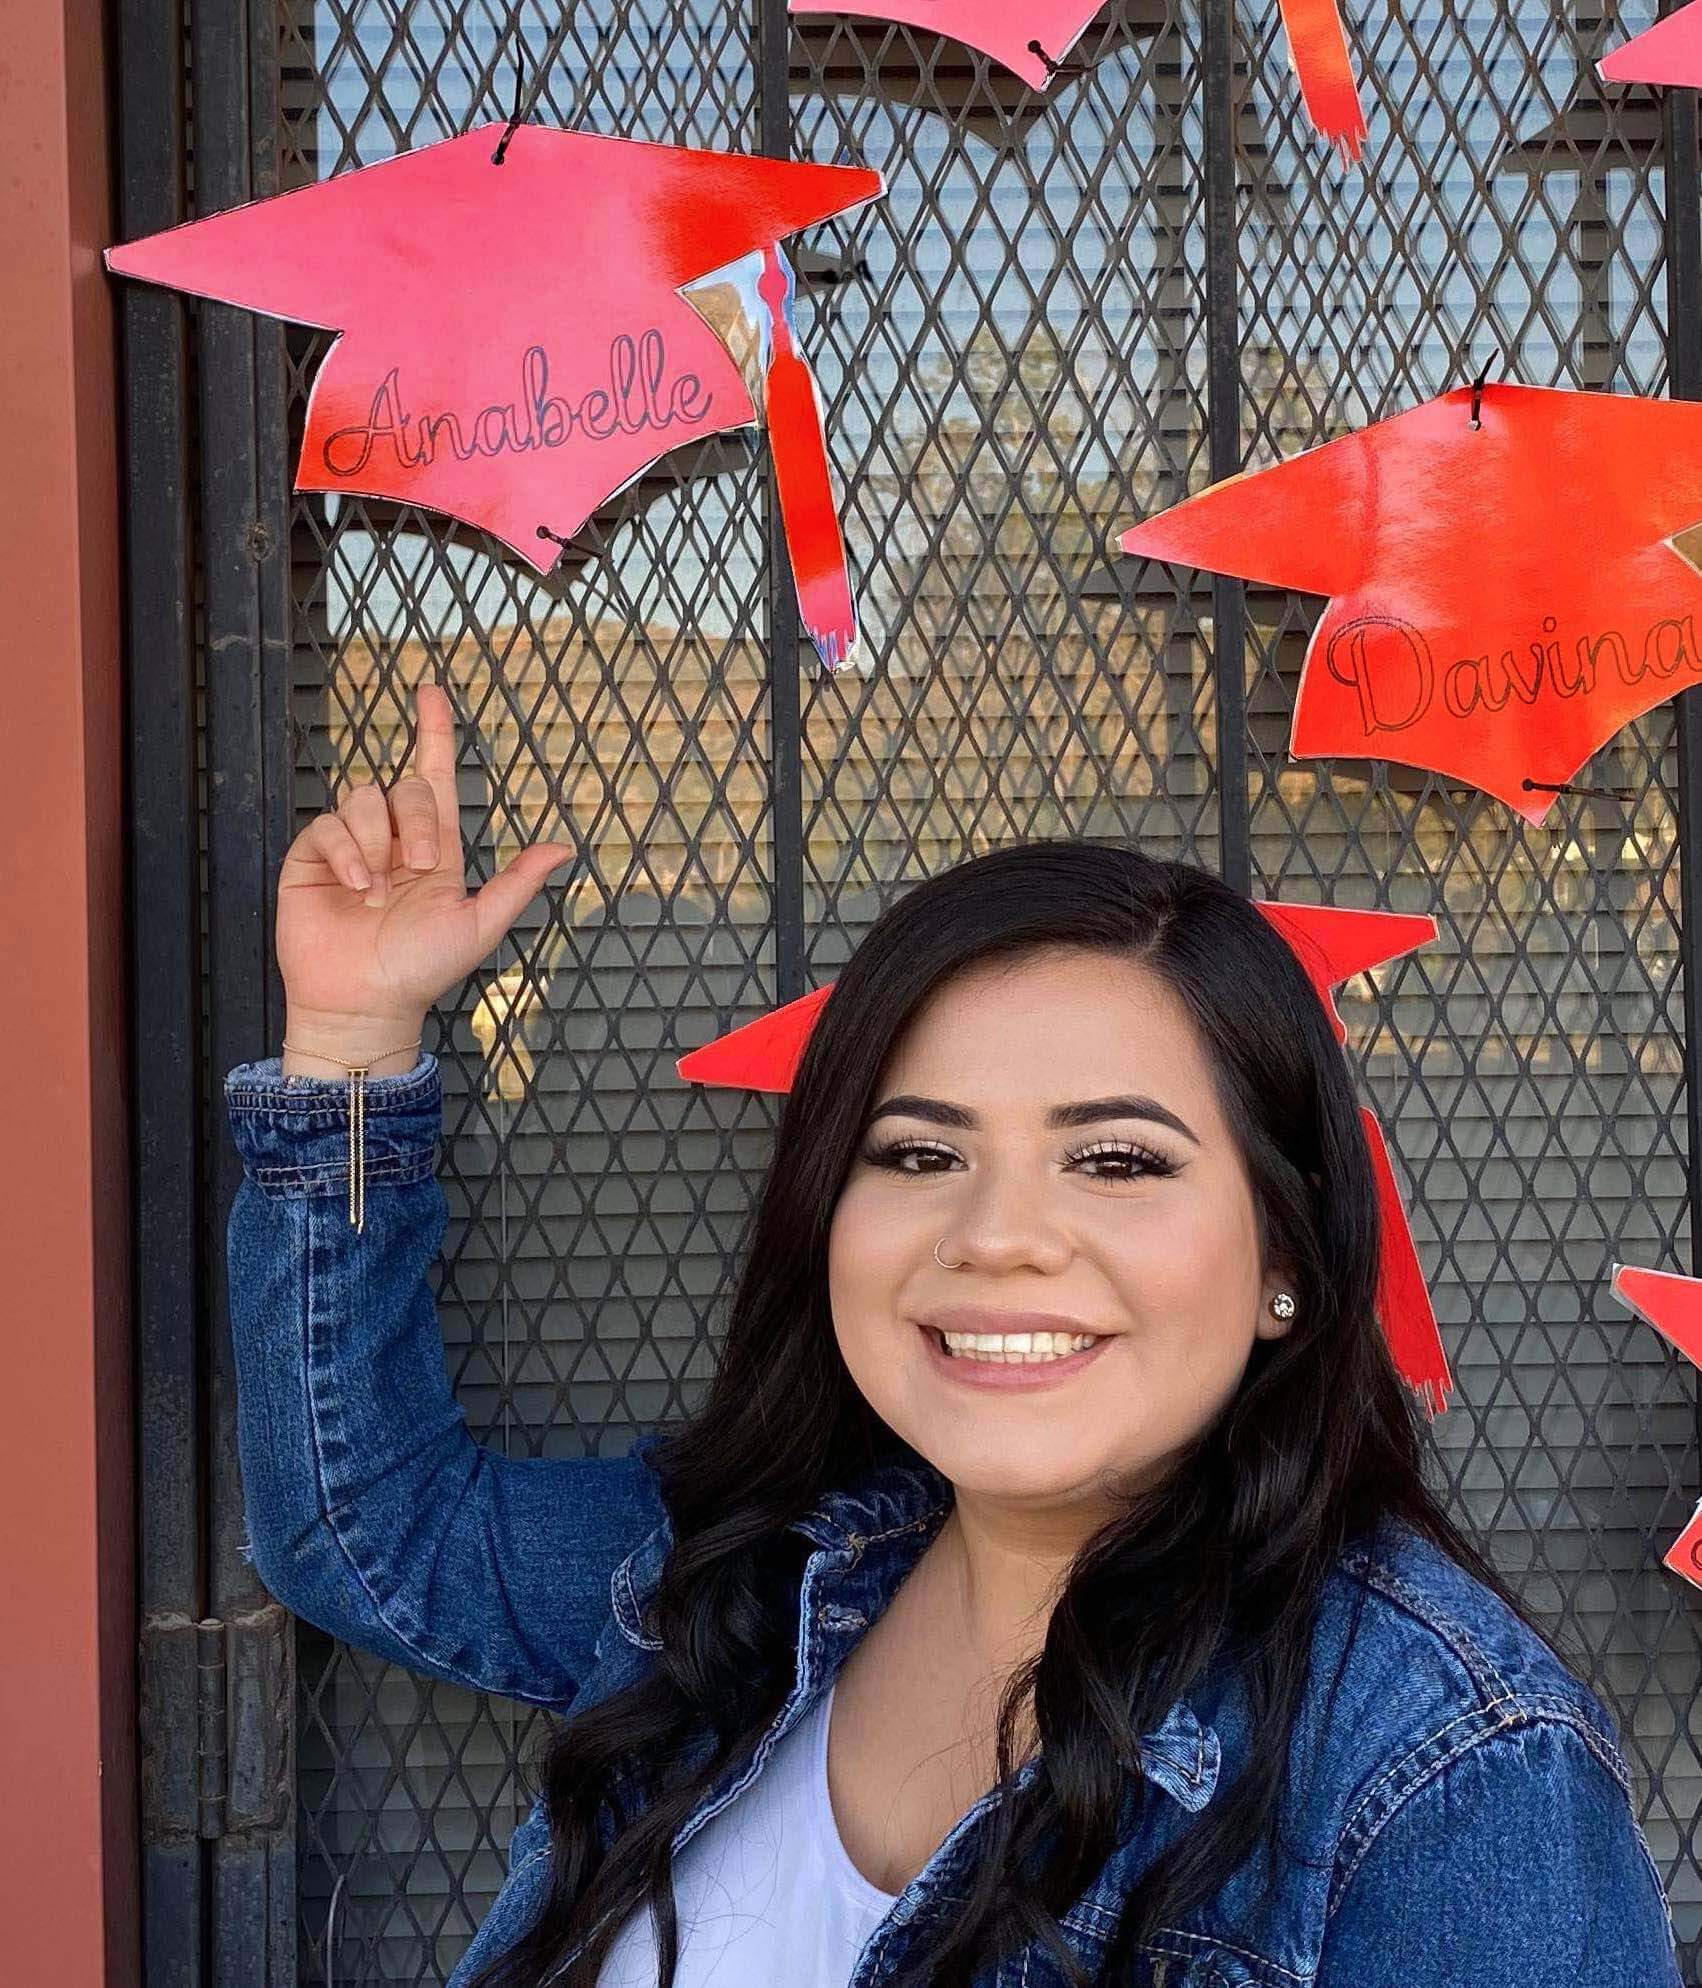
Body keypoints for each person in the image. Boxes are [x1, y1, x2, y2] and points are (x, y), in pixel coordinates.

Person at [223, 682, 1683, 1988]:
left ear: (1281, 1268)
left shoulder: (1448, 1775)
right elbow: (369, 1531)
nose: (993, 1234)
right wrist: (351, 1051)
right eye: (917, 1155)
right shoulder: (755, 1568)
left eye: (1116, 1161)